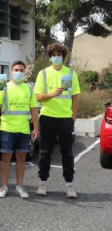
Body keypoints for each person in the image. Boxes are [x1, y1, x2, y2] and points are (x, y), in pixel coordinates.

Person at [34, 42, 80, 198]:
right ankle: (43, 183)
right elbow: (38, 97)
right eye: (53, 55)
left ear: (63, 57)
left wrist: (73, 117)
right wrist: (52, 94)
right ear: (50, 57)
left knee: (67, 152)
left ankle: (69, 185)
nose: (56, 57)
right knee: (45, 152)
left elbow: (75, 97)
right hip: (47, 117)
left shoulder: (71, 73)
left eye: (58, 55)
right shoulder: (43, 73)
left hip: (65, 119)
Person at [0, 60, 39, 198]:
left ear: (25, 73)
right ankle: (3, 186)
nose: (18, 72)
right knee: (5, 158)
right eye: (16, 70)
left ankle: (20, 186)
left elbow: (34, 109)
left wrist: (36, 128)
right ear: (11, 72)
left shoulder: (29, 89)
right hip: (7, 128)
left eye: (21, 70)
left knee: (21, 158)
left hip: (23, 129)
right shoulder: (3, 87)